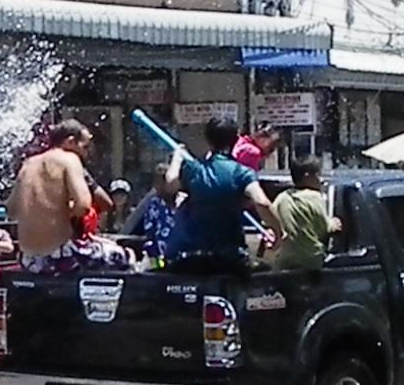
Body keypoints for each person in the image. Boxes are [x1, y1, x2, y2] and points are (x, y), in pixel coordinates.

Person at [6, 120, 131, 274]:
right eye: (84, 147)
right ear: (70, 142)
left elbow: (11, 210)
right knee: (123, 256)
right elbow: (83, 206)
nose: (86, 154)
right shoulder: (69, 159)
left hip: (29, 259)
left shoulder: (28, 164)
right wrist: (61, 213)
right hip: (61, 257)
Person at [163, 116, 282, 272]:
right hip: (231, 259)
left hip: (195, 258)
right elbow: (262, 203)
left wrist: (177, 158)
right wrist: (279, 233)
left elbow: (170, 183)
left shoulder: (194, 170)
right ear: (234, 140)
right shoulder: (242, 173)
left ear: (208, 139)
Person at [271, 156, 342, 272]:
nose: (321, 179)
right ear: (307, 176)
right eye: (318, 175)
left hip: (285, 261)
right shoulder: (315, 197)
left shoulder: (282, 198)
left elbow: (270, 222)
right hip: (310, 261)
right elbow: (323, 227)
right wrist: (333, 224)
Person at [122, 163, 179, 258]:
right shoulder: (154, 204)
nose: (157, 186)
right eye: (156, 182)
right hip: (159, 256)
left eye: (161, 182)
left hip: (181, 255)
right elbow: (149, 232)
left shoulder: (184, 202)